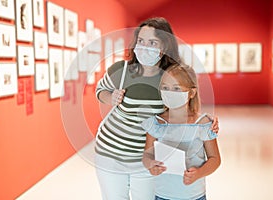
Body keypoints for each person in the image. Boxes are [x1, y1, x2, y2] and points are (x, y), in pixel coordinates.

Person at [94, 17, 219, 200]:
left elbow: (186, 98)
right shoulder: (121, 70)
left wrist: (207, 122)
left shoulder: (171, 76)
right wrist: (110, 97)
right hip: (110, 151)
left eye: (153, 42)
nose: (144, 46)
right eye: (141, 41)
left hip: (148, 156)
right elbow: (100, 90)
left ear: (164, 47)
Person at [141, 64, 221, 200]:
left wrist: (199, 173)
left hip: (194, 195)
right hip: (162, 195)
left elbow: (215, 159)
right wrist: (150, 165)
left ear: (192, 93)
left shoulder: (203, 124)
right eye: (165, 88)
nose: (170, 92)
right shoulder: (156, 123)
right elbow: (146, 156)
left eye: (177, 88)